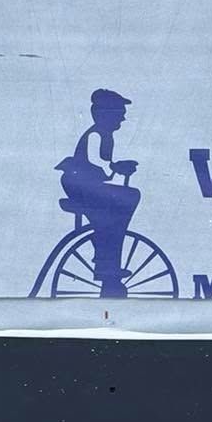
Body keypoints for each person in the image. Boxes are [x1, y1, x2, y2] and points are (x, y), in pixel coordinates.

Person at [57, 89, 140, 299]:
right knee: (129, 197)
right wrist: (118, 166)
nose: (123, 116)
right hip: (80, 186)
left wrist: (118, 167)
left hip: (89, 186)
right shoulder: (96, 134)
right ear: (104, 114)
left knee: (124, 202)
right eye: (119, 112)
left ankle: (108, 252)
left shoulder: (106, 136)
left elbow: (104, 169)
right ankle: (107, 255)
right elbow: (98, 163)